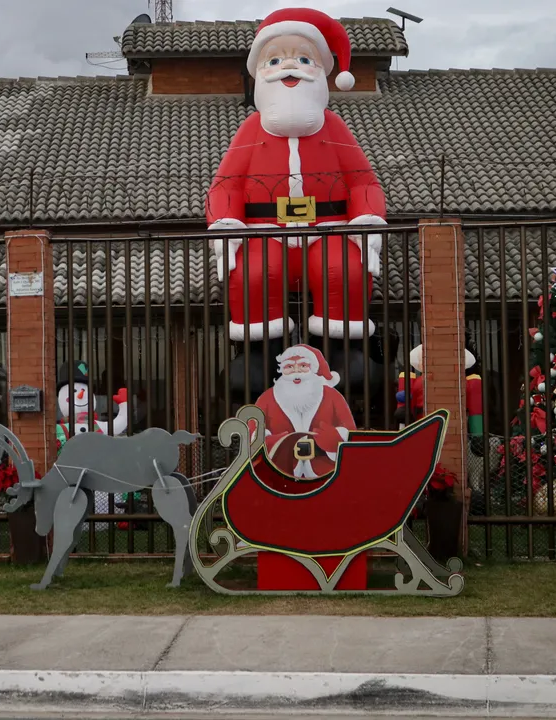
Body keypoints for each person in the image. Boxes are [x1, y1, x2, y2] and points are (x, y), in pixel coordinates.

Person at [206, 8, 388, 346]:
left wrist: (367, 216)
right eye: (274, 61)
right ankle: (258, 354)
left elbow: (363, 181)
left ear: (321, 72)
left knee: (345, 273)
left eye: (304, 58)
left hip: (327, 228)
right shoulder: (250, 129)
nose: (288, 67)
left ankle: (342, 352)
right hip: (264, 232)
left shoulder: (334, 127)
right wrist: (226, 220)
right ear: (259, 73)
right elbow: (225, 185)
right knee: (253, 275)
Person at [252, 344, 356, 478]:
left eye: (302, 366)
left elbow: (351, 431)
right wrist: (274, 444)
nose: (296, 371)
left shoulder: (332, 396)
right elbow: (253, 431)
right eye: (289, 367)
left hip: (327, 472)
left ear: (312, 368)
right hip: (279, 472)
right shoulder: (267, 398)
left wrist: (337, 441)